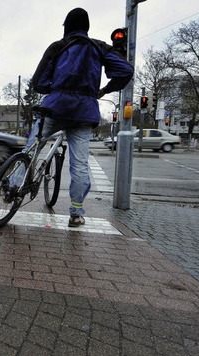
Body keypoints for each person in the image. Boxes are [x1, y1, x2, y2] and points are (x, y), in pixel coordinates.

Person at [28, 8, 134, 227]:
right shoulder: (99, 47)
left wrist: (56, 89)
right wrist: (104, 89)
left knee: (32, 147)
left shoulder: (58, 46)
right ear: (86, 27)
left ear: (66, 26)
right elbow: (125, 70)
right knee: (79, 164)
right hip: (84, 112)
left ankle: (13, 186)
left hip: (55, 107)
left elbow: (38, 82)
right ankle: (76, 212)